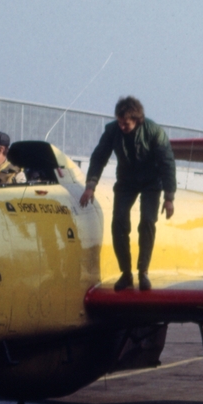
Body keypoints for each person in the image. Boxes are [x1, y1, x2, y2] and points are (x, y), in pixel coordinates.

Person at [78, 96, 176, 291]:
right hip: (126, 181)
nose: (122, 126)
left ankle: (143, 272)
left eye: (127, 123)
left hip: (151, 182)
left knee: (148, 221)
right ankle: (126, 273)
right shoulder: (112, 131)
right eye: (120, 122)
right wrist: (90, 186)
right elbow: (99, 157)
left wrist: (169, 197)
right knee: (119, 221)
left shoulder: (154, 132)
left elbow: (167, 163)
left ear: (137, 120)